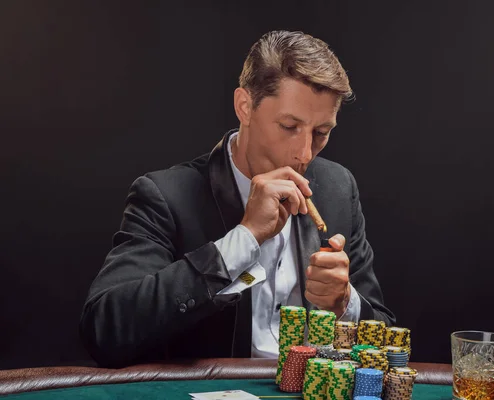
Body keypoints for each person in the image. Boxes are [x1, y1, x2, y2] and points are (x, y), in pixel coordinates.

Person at [80, 30, 395, 368]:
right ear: (245, 106)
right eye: (289, 126)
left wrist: (345, 302)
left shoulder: (337, 187)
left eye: (321, 133)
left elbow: (385, 337)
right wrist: (242, 239)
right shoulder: (166, 196)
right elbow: (105, 331)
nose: (304, 154)